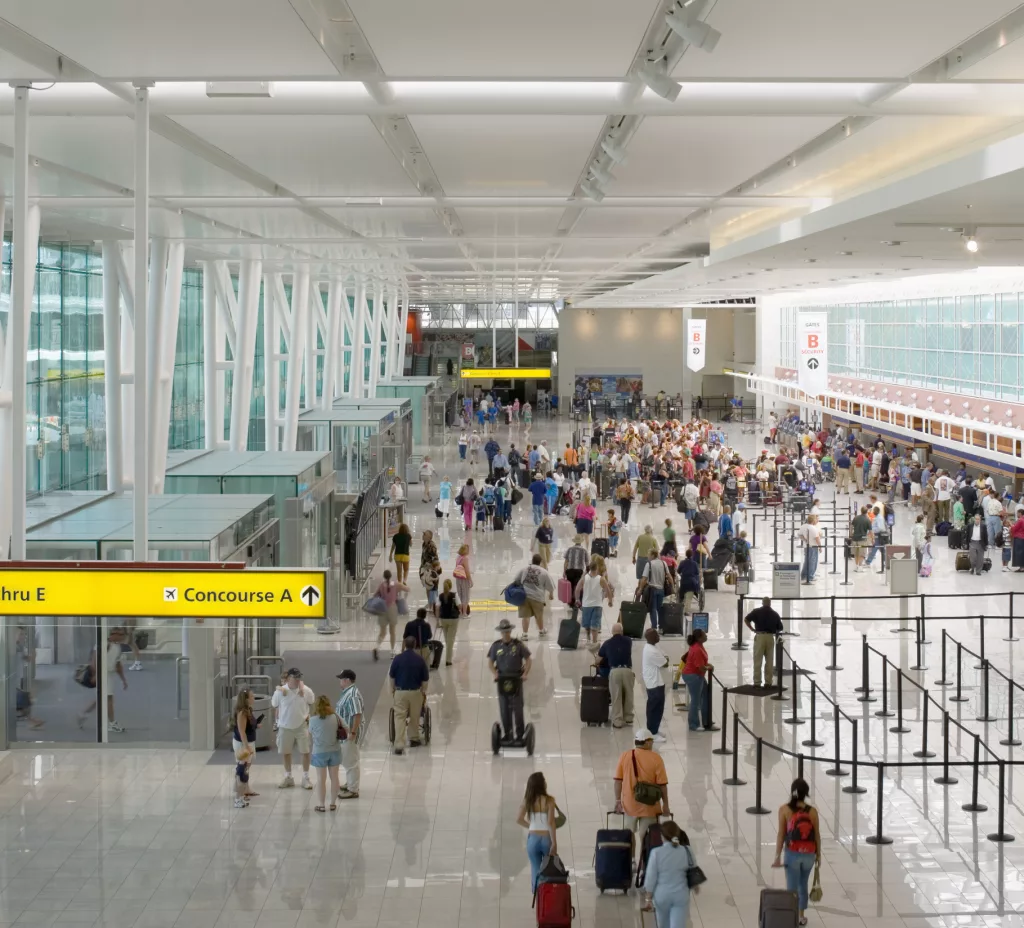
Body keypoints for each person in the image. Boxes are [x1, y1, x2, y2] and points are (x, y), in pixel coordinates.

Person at [772, 778, 821, 927]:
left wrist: (777, 856)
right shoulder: (812, 811)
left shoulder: (784, 810)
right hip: (809, 855)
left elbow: (781, 834)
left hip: (792, 853)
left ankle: (791, 917)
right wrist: (818, 855)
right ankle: (801, 916)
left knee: (791, 888)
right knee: (803, 884)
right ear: (806, 794)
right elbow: (817, 834)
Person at [613, 728, 670, 854]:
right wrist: (665, 805)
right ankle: (644, 863)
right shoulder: (656, 758)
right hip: (650, 806)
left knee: (629, 834)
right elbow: (662, 785)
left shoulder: (625, 756)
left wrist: (618, 800)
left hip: (629, 804)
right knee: (646, 836)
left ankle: (631, 861)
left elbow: (618, 781)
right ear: (647, 742)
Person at [641, 820, 699, 928]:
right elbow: (693, 869)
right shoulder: (687, 851)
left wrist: (648, 899)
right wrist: (695, 886)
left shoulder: (656, 853)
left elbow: (650, 877)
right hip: (680, 895)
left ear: (662, 836)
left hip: (662, 896)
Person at [487, 619, 532, 743]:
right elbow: (490, 662)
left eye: (507, 631)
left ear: (510, 631)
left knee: (517, 708)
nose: (506, 634)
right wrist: (495, 673)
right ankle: (507, 733)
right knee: (504, 708)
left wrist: (525, 673)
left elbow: (528, 659)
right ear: (501, 632)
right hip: (502, 679)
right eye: (503, 632)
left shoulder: (518, 645)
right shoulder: (496, 646)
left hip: (516, 679)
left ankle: (520, 734)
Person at [271, 668, 315, 790]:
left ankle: (305, 777)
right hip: (285, 726)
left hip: (301, 725)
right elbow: (274, 704)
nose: (297, 680)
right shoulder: (281, 692)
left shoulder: (305, 690)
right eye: (295, 678)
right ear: (289, 678)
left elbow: (312, 701)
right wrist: (279, 689)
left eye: (299, 678)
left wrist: (302, 690)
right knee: (286, 752)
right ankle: (288, 777)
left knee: (305, 752)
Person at [517, 772, 559, 893]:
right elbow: (551, 822)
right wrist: (554, 843)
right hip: (546, 838)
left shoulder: (527, 800)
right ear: (542, 784)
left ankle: (537, 895)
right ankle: (548, 894)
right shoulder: (550, 800)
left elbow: (518, 819)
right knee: (549, 868)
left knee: (536, 868)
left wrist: (531, 826)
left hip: (533, 839)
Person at [389, 637, 430, 755]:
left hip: (400, 692)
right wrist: (424, 691)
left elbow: (392, 677)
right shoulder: (420, 660)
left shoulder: (397, 659)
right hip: (415, 692)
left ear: (405, 645)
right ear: (415, 644)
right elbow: (425, 680)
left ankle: (399, 744)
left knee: (400, 717)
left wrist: (392, 690)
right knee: (415, 715)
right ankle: (413, 738)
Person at [308, 695, 342, 813]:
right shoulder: (335, 717)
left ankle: (321, 805)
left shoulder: (312, 720)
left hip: (319, 752)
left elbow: (310, 733)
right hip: (335, 750)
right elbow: (345, 727)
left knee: (321, 779)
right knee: (335, 778)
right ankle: (332, 803)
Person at [597, 622, 634, 728]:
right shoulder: (628, 641)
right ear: (622, 631)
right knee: (629, 694)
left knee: (616, 696)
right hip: (628, 670)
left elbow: (598, 660)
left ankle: (618, 720)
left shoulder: (607, 643)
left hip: (615, 671)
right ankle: (629, 718)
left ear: (612, 632)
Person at [511, 554, 555, 639]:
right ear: (540, 562)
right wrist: (551, 594)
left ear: (532, 561)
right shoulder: (544, 572)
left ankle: (525, 634)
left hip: (524, 596)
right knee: (539, 615)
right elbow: (550, 585)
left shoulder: (524, 569)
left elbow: (516, 579)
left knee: (525, 616)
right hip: (537, 597)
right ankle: (541, 630)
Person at [335, 670, 363, 800]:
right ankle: (350, 783)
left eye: (341, 679)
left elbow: (357, 714)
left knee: (351, 760)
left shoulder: (352, 695)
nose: (340, 682)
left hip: (349, 734)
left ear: (347, 680)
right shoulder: (347, 693)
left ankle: (353, 789)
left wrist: (353, 732)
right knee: (348, 759)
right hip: (345, 732)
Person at [577, 553, 615, 647]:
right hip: (598, 596)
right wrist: (610, 600)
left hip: (587, 600)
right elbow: (607, 585)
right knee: (596, 618)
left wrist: (577, 599)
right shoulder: (603, 571)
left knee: (588, 620)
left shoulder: (587, 573)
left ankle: (590, 636)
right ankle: (595, 632)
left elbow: (579, 587)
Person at [745, 597, 783, 687]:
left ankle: (757, 682)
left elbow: (746, 619)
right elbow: (780, 628)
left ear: (762, 603)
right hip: (770, 637)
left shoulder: (756, 611)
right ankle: (768, 682)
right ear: (770, 603)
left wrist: (752, 629)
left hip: (760, 636)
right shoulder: (775, 614)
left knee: (757, 660)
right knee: (769, 661)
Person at [680, 629, 713, 731]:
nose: (706, 636)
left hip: (697, 675)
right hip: (693, 676)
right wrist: (709, 667)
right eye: (704, 635)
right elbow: (701, 667)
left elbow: (702, 663)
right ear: (699, 638)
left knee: (705, 695)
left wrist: (707, 665)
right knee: (695, 700)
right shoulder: (697, 649)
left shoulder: (699, 646)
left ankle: (707, 721)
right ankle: (693, 724)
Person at [372, 569, 408, 661]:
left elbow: (375, 595)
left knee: (382, 632)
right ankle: (392, 651)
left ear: (384, 576)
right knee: (392, 631)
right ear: (390, 576)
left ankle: (377, 647)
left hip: (382, 609)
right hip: (392, 608)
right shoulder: (395, 584)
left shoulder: (381, 585)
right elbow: (407, 589)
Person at [641, 628, 670, 743]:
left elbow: (665, 657)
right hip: (654, 683)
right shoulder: (651, 651)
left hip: (657, 681)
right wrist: (665, 659)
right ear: (651, 638)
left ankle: (655, 729)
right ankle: (652, 733)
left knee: (659, 708)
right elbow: (665, 663)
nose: (658, 636)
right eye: (656, 635)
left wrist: (664, 658)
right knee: (654, 708)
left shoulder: (653, 647)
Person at [232, 689, 258, 808]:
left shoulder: (248, 710)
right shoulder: (242, 712)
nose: (253, 698)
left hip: (249, 742)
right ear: (246, 699)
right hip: (243, 744)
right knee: (241, 771)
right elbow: (242, 731)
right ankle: (238, 798)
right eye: (252, 697)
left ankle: (243, 792)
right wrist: (247, 747)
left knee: (245, 769)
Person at [639, 544, 667, 632]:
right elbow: (669, 576)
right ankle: (661, 627)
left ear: (652, 555)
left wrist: (640, 589)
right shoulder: (663, 563)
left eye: (648, 554)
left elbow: (644, 579)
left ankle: (654, 627)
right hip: (661, 589)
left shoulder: (649, 564)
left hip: (652, 590)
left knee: (652, 609)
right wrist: (673, 588)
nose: (647, 556)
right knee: (660, 608)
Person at [563, 535, 589, 623]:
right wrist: (586, 573)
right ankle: (577, 602)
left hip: (570, 570)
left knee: (570, 587)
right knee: (577, 587)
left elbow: (566, 561)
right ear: (581, 542)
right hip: (579, 571)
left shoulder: (570, 549)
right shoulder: (584, 550)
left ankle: (571, 603)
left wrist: (564, 571)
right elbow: (587, 563)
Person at [437, 579, 461, 665]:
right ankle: (448, 660)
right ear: (450, 586)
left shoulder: (440, 596)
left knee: (447, 639)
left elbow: (437, 608)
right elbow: (459, 606)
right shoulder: (454, 595)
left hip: (443, 619)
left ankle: (449, 654)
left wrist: (437, 620)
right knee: (450, 639)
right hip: (453, 619)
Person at [797, 514, 821, 584]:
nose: (817, 520)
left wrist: (805, 540)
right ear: (813, 520)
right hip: (813, 547)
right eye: (816, 519)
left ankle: (804, 575)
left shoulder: (803, 526)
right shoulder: (813, 528)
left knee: (807, 561)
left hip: (806, 546)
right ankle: (810, 576)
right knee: (813, 562)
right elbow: (817, 538)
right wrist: (820, 547)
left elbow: (799, 534)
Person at [453, 544, 473, 617]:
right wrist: (470, 580)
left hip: (458, 579)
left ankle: (460, 612)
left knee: (460, 595)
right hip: (464, 579)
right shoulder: (465, 559)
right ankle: (464, 613)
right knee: (466, 596)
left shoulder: (458, 558)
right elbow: (467, 571)